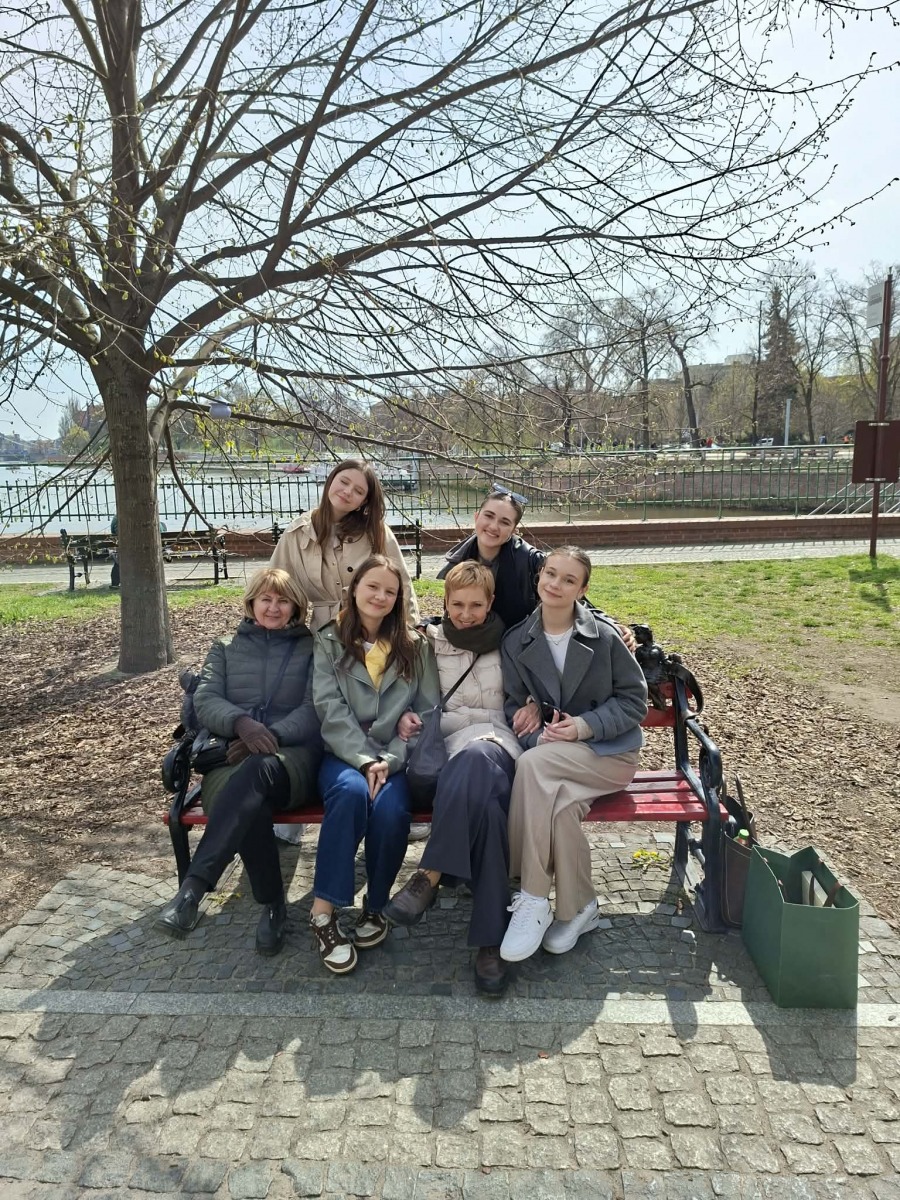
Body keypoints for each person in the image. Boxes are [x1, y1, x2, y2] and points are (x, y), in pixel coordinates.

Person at [155, 568, 321, 955]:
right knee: (249, 799)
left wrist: (268, 737)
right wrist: (243, 726)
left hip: (291, 760)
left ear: (296, 607)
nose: (273, 608)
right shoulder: (225, 647)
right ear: (251, 603)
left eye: (283, 601)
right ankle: (274, 906)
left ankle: (193, 888)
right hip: (229, 757)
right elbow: (206, 699)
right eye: (266, 599)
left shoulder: (311, 648)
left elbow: (315, 708)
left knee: (257, 770)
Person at [499, 547, 648, 963]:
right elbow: (513, 707)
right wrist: (534, 723)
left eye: (569, 580)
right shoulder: (517, 641)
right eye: (550, 574)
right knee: (561, 809)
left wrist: (583, 726)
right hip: (556, 758)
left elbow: (634, 702)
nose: (556, 584)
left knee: (530, 765)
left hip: (609, 755)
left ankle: (531, 895)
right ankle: (580, 908)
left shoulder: (605, 637)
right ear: (538, 577)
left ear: (582, 589)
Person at [383, 562, 521, 996]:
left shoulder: (513, 641)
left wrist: (533, 705)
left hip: (496, 746)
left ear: (491, 602)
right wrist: (404, 715)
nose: (465, 614)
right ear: (445, 602)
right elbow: (401, 692)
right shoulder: (427, 642)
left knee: (478, 757)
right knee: (488, 813)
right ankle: (491, 942)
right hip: (441, 754)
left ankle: (431, 873)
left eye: (476, 605)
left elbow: (532, 689)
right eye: (457, 604)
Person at [309, 555, 440, 974]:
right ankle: (323, 914)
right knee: (349, 794)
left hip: (395, 758)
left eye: (390, 591)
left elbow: (427, 713)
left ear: (399, 598)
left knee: (391, 810)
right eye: (373, 587)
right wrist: (366, 762)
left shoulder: (415, 646)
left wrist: (389, 758)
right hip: (343, 756)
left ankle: (376, 906)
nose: (381, 596)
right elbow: (329, 710)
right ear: (354, 590)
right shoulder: (329, 641)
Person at [270, 458, 419, 632]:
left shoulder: (376, 532)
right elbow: (274, 585)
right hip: (321, 634)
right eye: (344, 482)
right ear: (331, 479)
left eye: (358, 491)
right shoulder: (298, 532)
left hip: (371, 633)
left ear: (364, 501)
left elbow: (402, 584)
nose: (347, 492)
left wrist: (410, 629)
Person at [437, 485, 543, 630]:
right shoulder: (457, 561)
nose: (493, 526)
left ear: (513, 531)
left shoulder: (533, 562)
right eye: (489, 516)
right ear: (476, 517)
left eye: (504, 522)